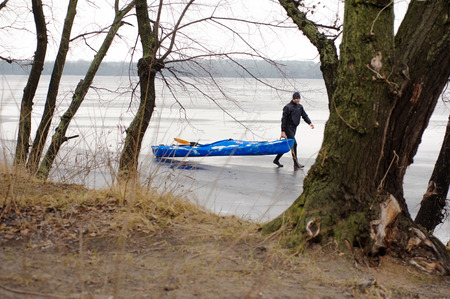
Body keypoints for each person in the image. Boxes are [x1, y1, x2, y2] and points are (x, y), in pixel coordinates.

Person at [273, 91, 314, 169]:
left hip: (294, 128)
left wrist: (310, 123)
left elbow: (304, 115)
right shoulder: (288, 107)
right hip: (288, 127)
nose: (298, 100)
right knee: (294, 144)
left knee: (287, 144)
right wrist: (283, 130)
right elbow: (283, 119)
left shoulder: (300, 107)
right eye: (296, 98)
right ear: (293, 98)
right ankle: (295, 163)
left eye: (299, 98)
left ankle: (276, 159)